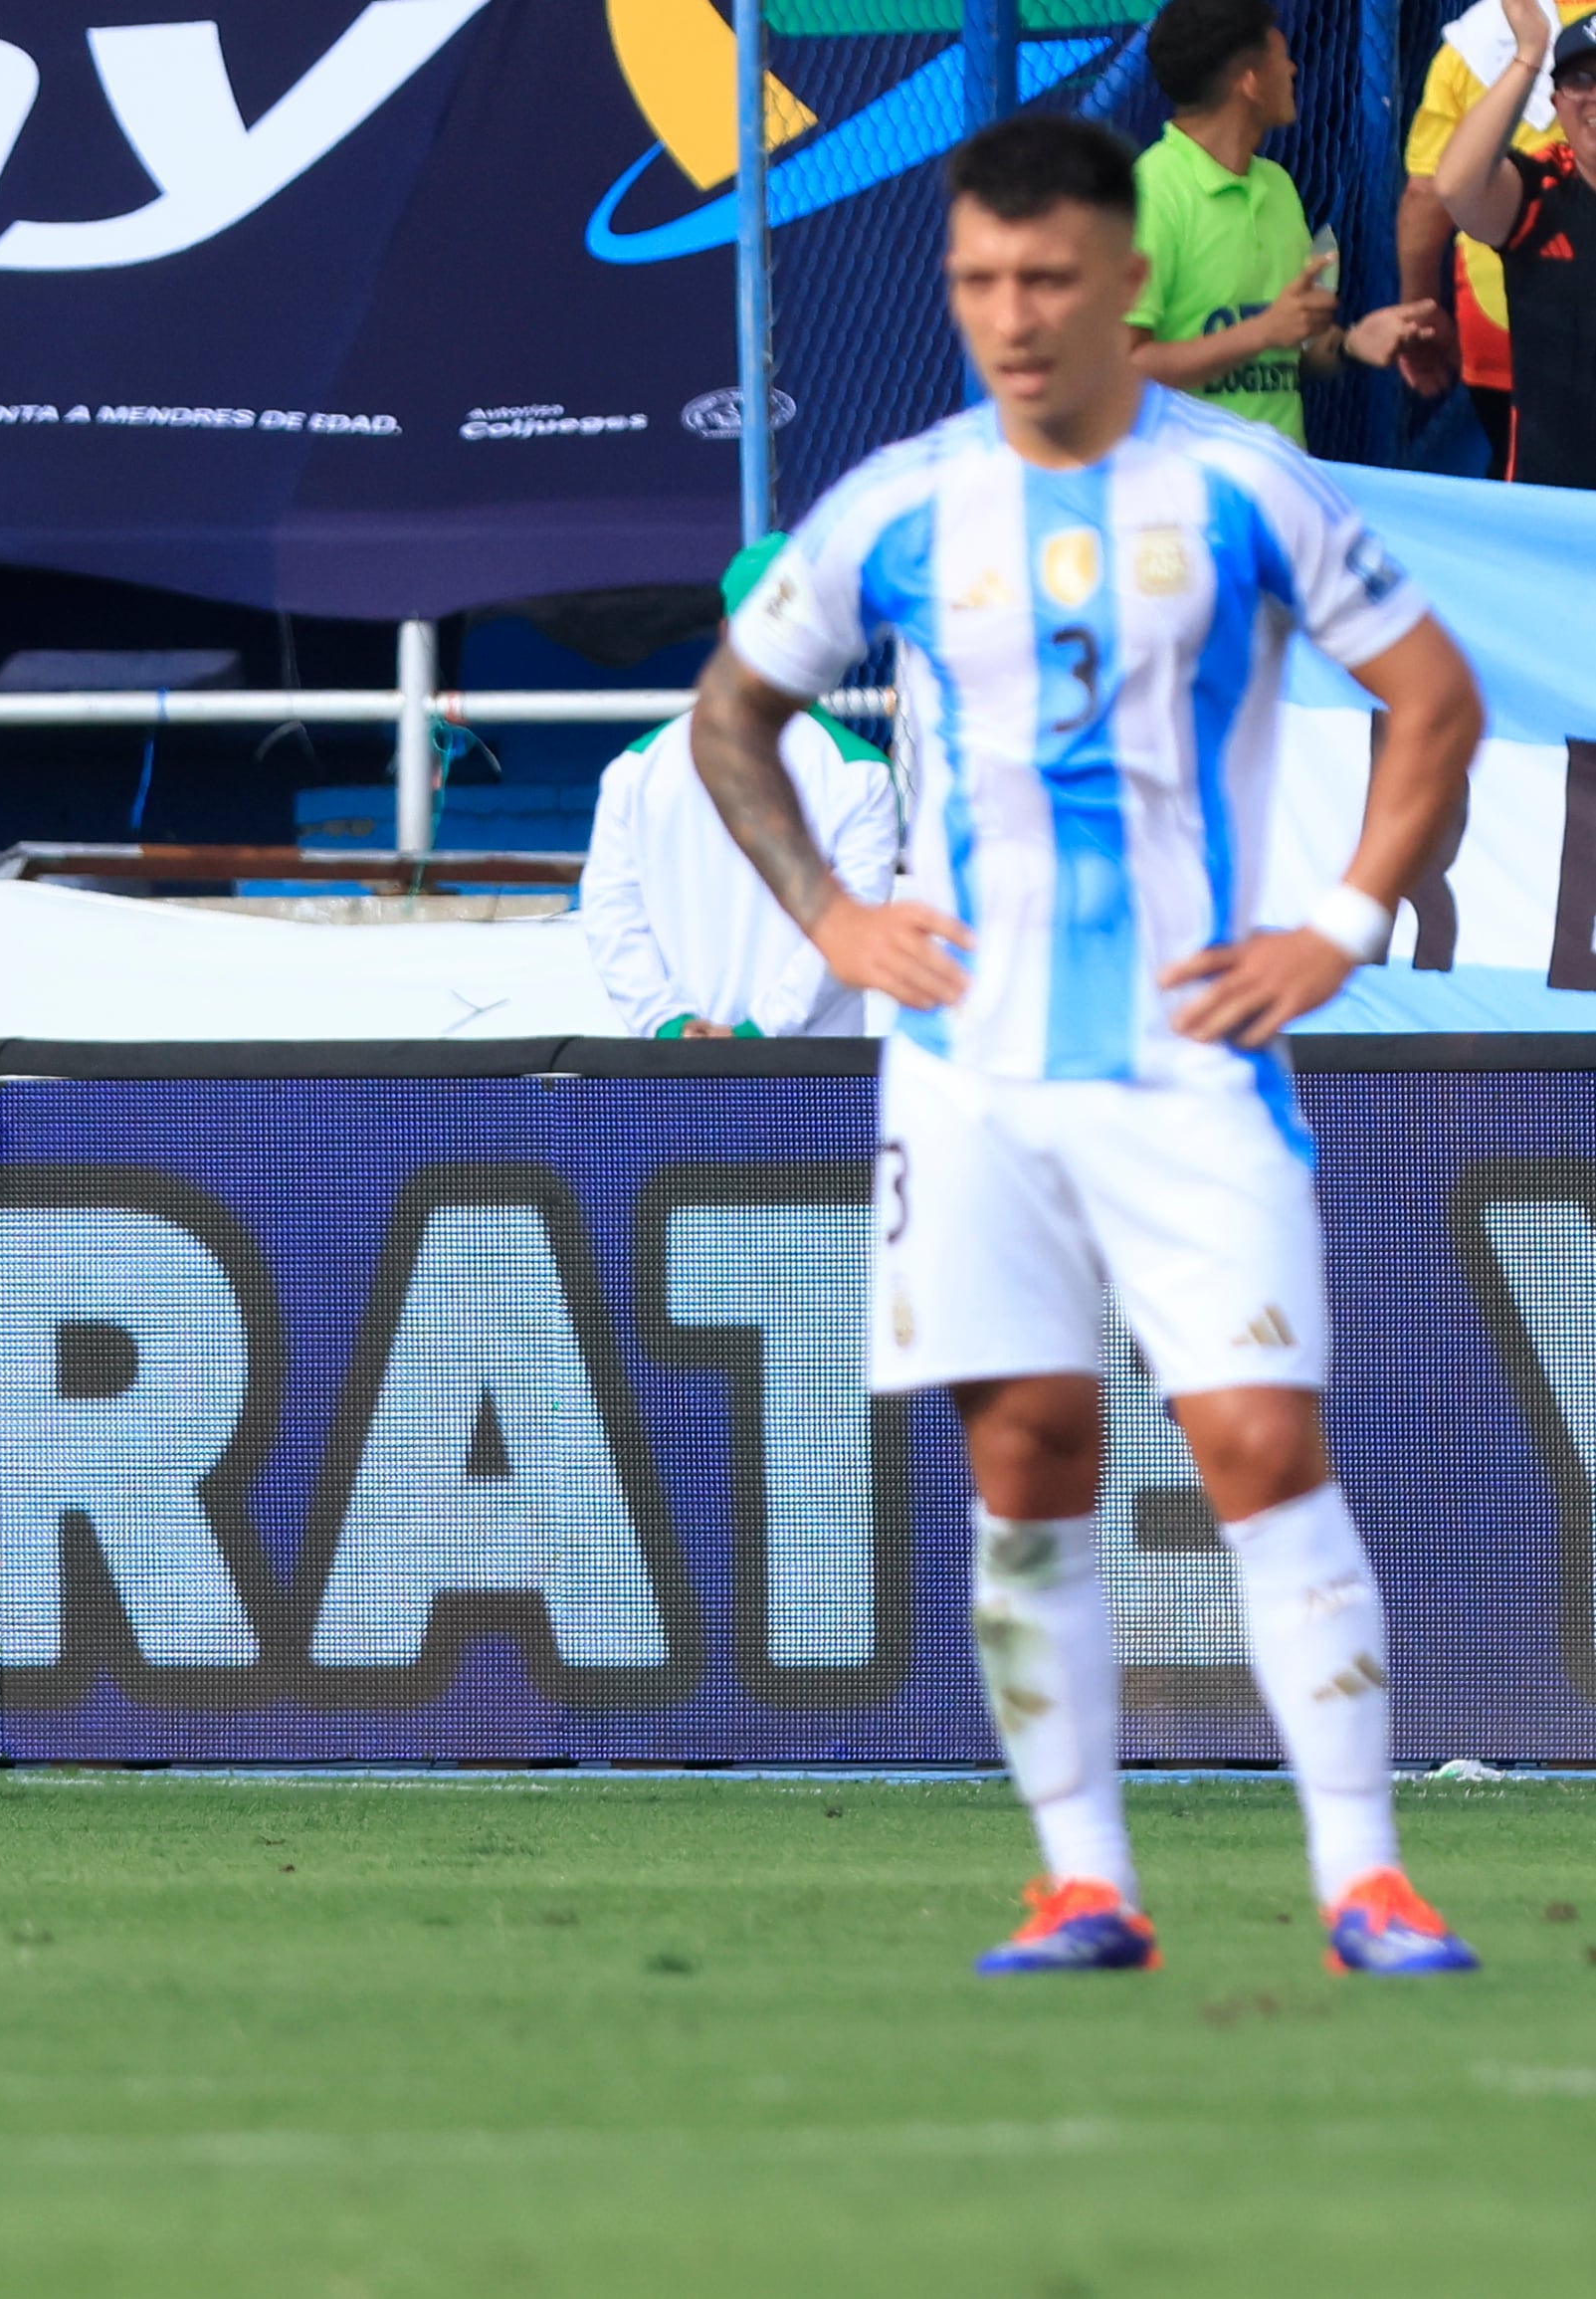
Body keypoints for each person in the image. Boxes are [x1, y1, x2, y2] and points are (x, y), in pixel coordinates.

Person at [690, 115, 1488, 1974]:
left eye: (1047, 278)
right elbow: (734, 719)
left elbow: (1431, 700)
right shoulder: (897, 503)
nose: (1013, 317)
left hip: (1193, 1058)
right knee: (1030, 1456)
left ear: (1128, 279)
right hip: (967, 1073)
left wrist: (1346, 925)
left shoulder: (1243, 495)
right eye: (978, 282)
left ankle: (1365, 1878)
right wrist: (827, 918)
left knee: (1257, 1446)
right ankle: (1083, 1882)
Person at [580, 535, 898, 1040]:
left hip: (677, 1072)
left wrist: (668, 1026)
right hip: (814, 1081)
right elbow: (849, 926)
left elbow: (610, 915)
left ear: (726, 630)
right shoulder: (860, 772)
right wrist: (755, 1035)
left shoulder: (637, 768)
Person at [1125, 0, 1444, 442]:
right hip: (1186, 494)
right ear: (1250, 81)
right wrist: (1261, 332)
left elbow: (1289, 349)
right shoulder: (1149, 194)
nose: (1293, 69)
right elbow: (1121, 370)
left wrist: (1351, 343)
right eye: (1281, 56)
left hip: (1281, 485)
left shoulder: (1278, 187)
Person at [1403, 0, 1596, 474]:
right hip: (1554, 501)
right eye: (1579, 81)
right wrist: (1528, 54)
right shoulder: (1541, 196)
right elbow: (1447, 187)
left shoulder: (1473, 38)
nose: (1594, 97)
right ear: (1556, 104)